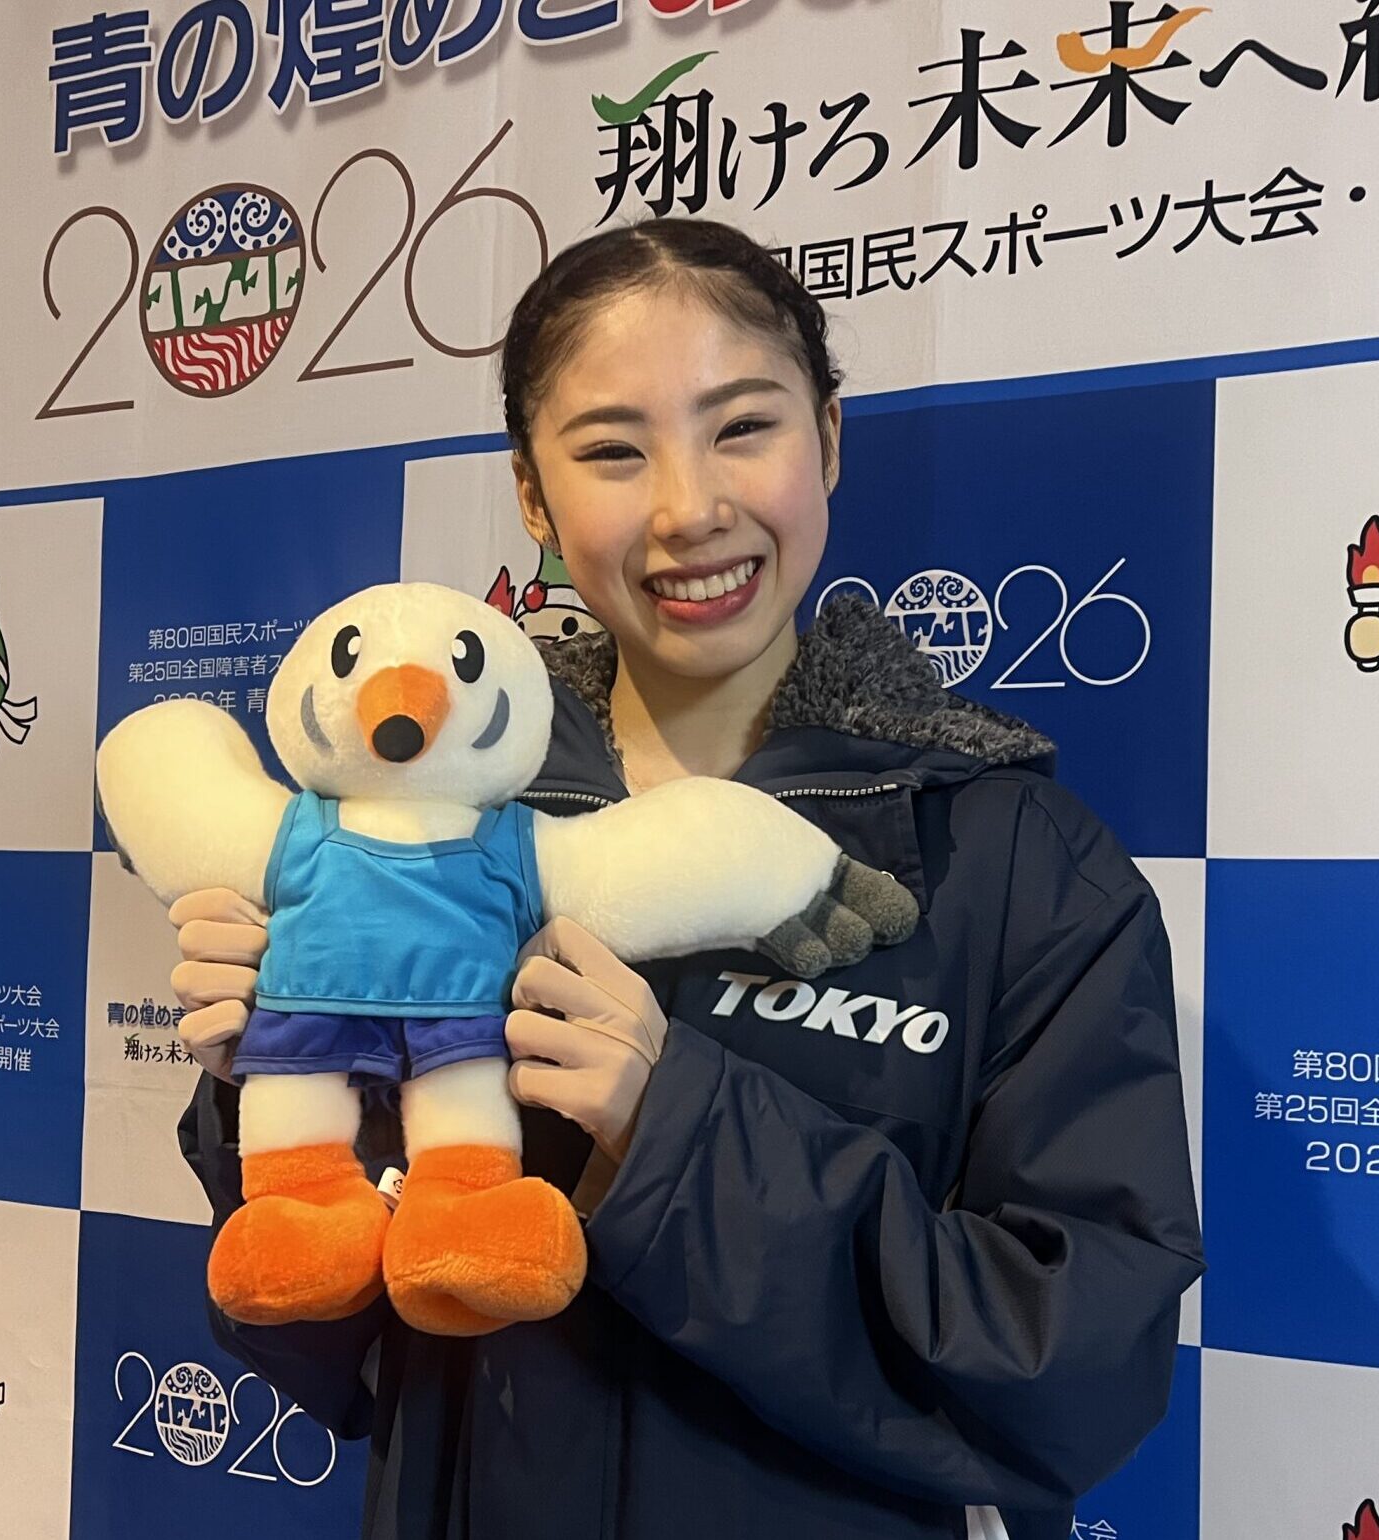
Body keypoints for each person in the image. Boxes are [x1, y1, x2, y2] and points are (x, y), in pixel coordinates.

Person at [166, 217, 1202, 1540]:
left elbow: (1077, 1374)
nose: (687, 508)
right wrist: (269, 1084)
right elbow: (340, 1359)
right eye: (613, 450)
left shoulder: (1010, 858)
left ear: (829, 439)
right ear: (533, 497)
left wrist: (676, 1134)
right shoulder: (427, 833)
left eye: (742, 427)